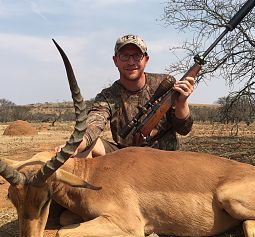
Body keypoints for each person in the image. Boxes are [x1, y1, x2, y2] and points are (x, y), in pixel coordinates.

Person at [57, 34, 195, 158]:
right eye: (124, 56)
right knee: (88, 146)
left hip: (164, 158)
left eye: (137, 55)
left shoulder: (165, 84)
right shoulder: (107, 96)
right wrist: (74, 147)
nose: (131, 62)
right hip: (125, 158)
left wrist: (182, 102)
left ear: (146, 59)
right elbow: (93, 125)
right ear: (115, 60)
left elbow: (184, 130)